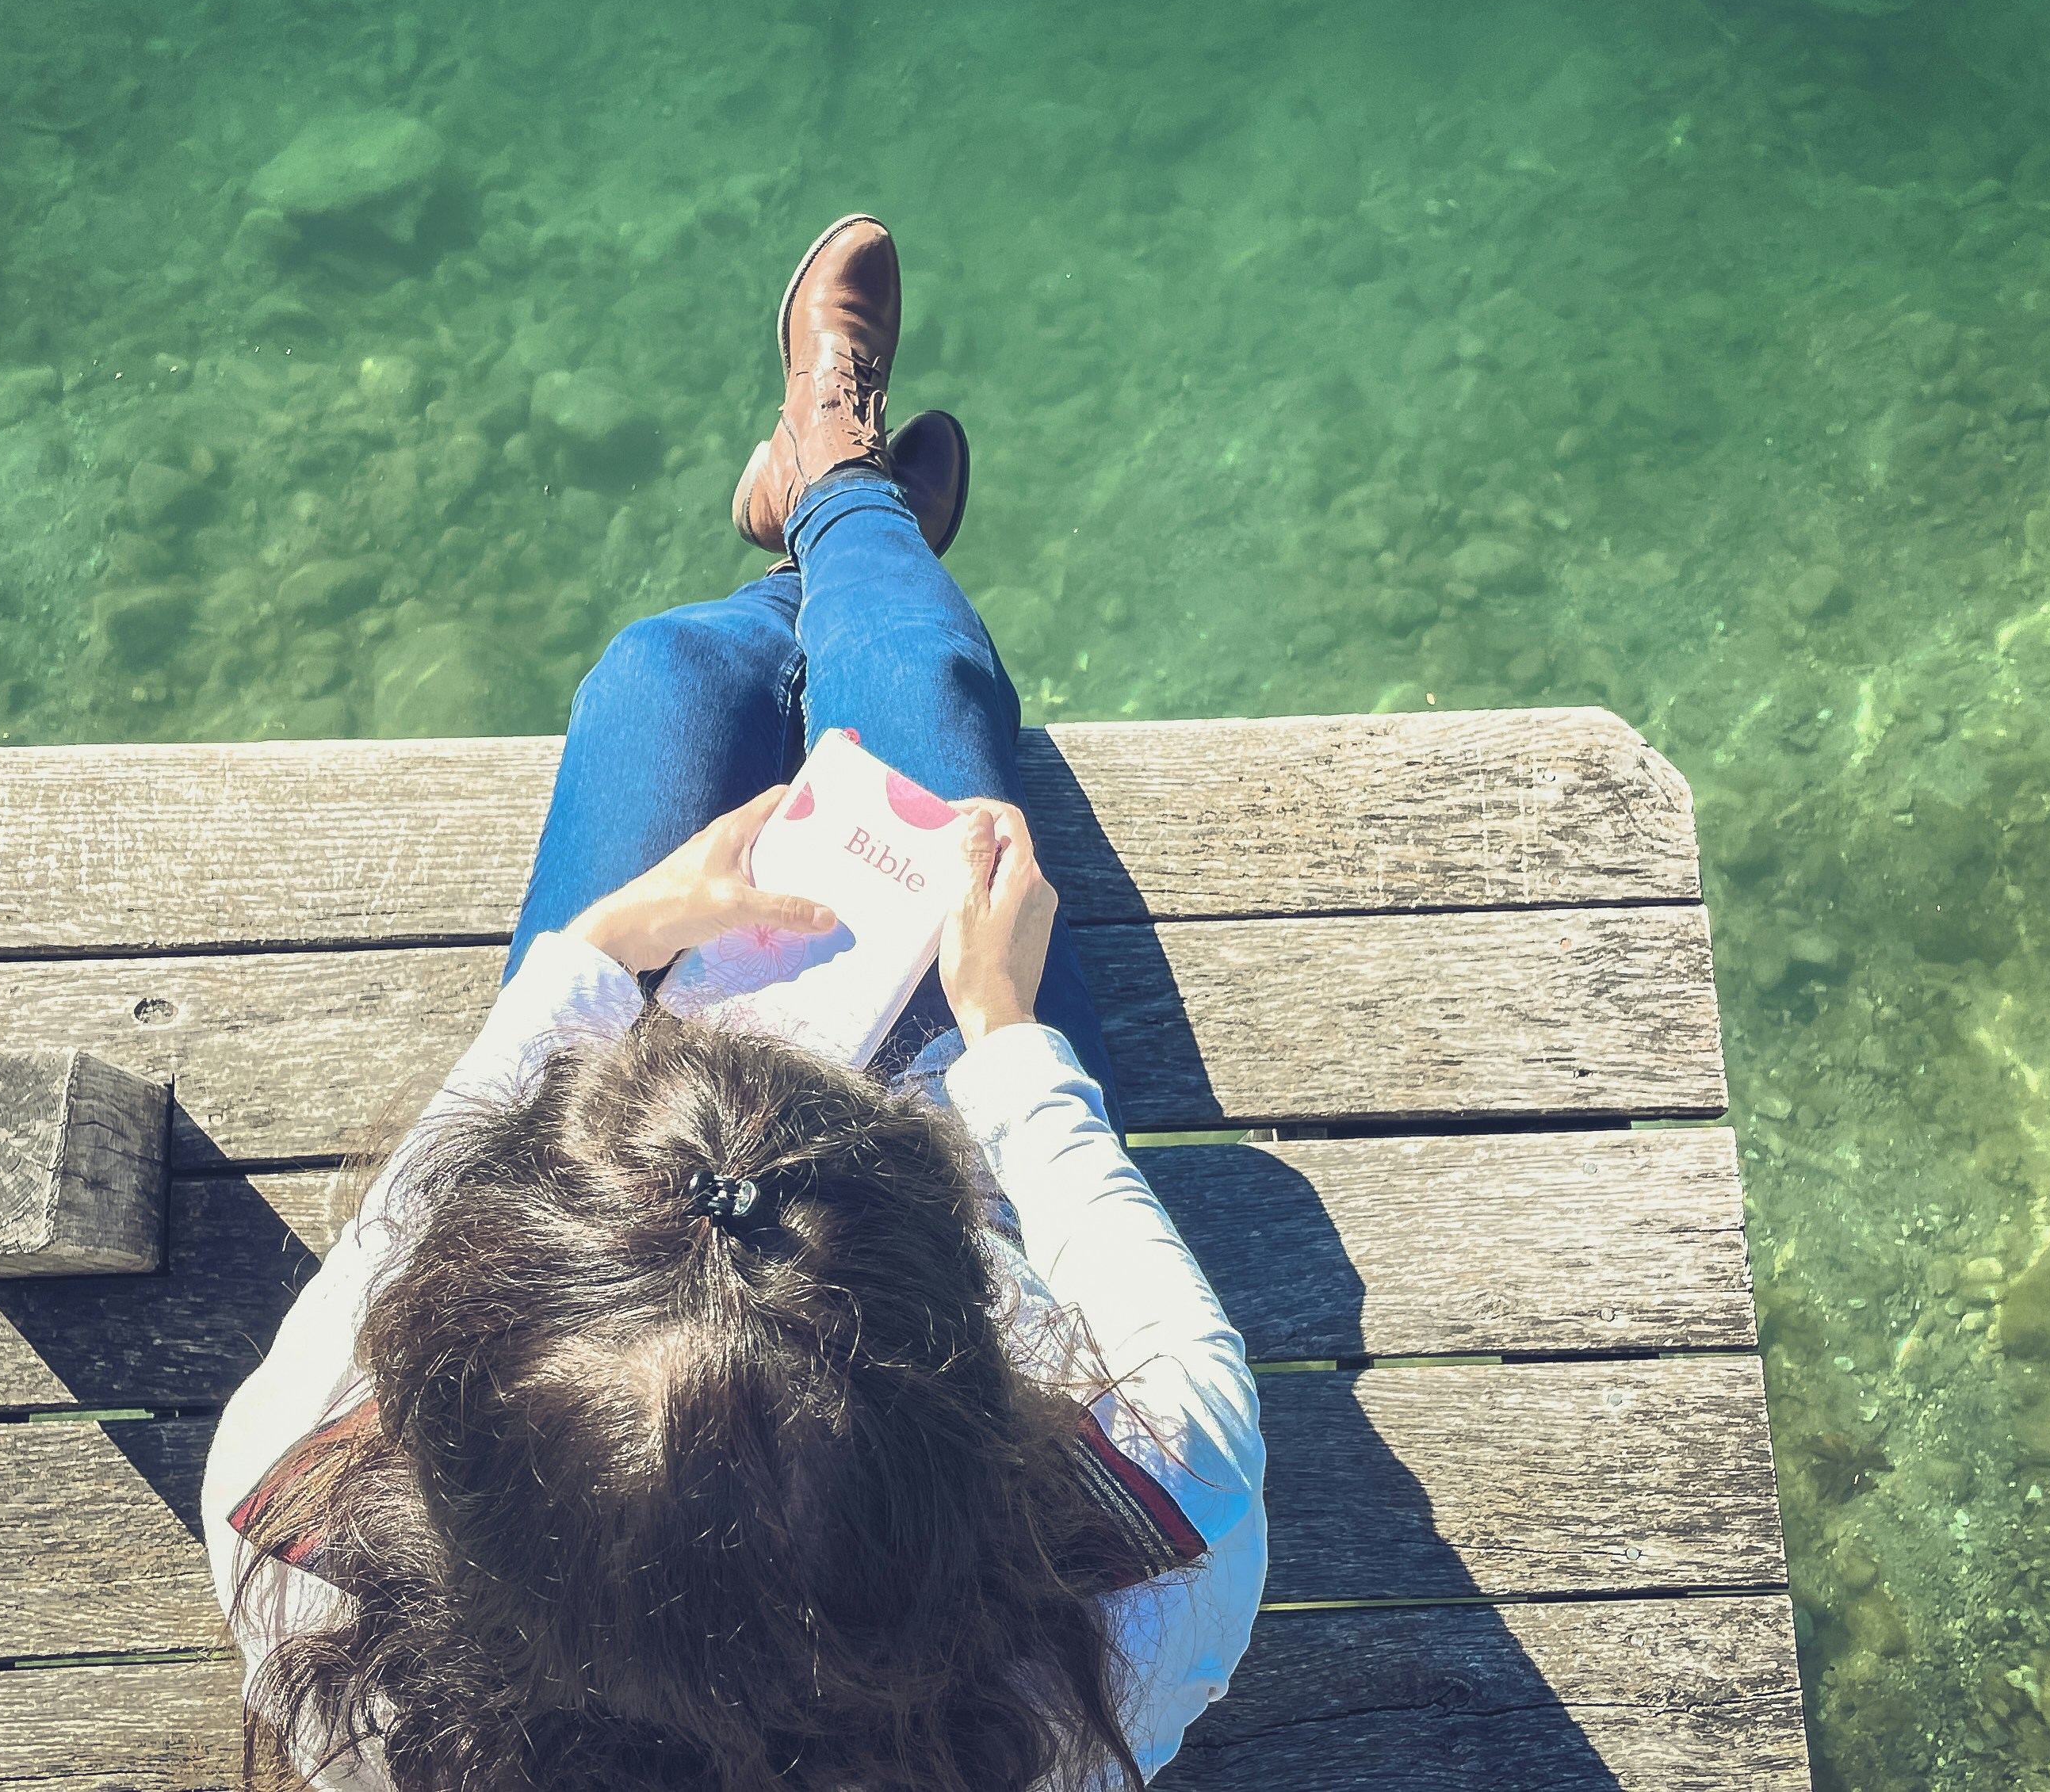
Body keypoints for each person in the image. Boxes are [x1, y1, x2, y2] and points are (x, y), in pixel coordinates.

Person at [201, 215, 1266, 1792]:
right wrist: (1005, 1041)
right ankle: (843, 510)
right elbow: (1182, 1355)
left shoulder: (308, 1561)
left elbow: (407, 1221)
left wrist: (604, 952)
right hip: (972, 1144)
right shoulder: (1138, 1580)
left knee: (659, 682)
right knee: (926, 695)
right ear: (970, 1409)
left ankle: (827, 536)